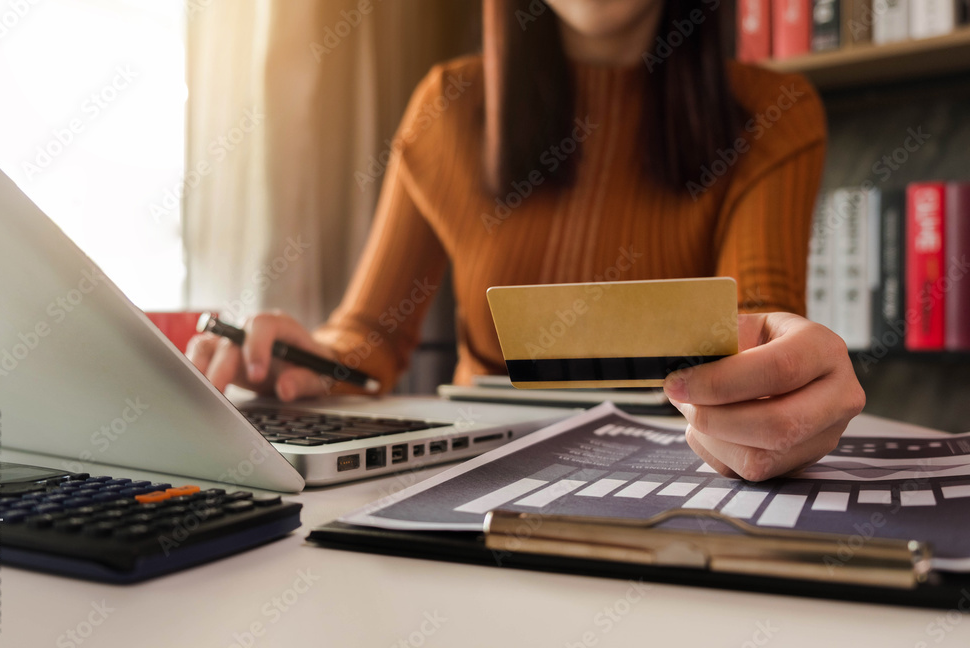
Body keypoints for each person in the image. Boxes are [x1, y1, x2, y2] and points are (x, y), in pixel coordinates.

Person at [188, 0, 865, 482]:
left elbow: (760, 328)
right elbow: (366, 339)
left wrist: (783, 383)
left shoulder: (775, 117)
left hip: (680, 474)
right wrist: (310, 359)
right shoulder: (445, 106)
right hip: (468, 476)